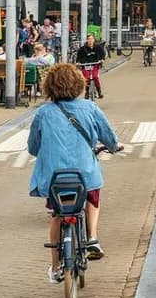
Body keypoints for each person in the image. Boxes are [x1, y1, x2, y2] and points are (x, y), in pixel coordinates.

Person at [27, 63, 121, 283]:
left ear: (49, 86)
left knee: (58, 216)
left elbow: (32, 146)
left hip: (54, 178)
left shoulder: (42, 113)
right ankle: (93, 238)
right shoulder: (90, 107)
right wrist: (115, 146)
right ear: (79, 83)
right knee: (93, 196)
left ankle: (55, 267)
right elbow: (108, 136)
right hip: (84, 175)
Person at [74, 34, 108, 99]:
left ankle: (99, 92)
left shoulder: (98, 47)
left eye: (92, 39)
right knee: (87, 79)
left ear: (94, 40)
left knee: (95, 77)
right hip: (85, 65)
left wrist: (102, 60)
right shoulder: (82, 49)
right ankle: (87, 92)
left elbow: (102, 54)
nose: (90, 40)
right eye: (89, 39)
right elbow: (78, 57)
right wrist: (78, 63)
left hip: (95, 64)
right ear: (87, 40)